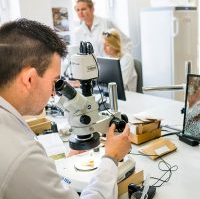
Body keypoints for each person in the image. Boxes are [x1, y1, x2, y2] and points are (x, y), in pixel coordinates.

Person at [0, 19, 131, 199]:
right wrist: (112, 157)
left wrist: (51, 168)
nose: (54, 93)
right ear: (29, 79)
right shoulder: (23, 158)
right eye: (55, 82)